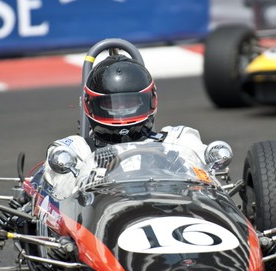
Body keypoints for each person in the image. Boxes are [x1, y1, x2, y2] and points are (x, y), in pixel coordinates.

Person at [43, 55, 217, 199]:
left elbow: (210, 184)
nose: (121, 111)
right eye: (111, 105)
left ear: (150, 100)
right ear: (90, 106)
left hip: (169, 210)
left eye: (130, 103)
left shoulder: (178, 139)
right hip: (101, 221)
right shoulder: (74, 150)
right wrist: (93, 176)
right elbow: (62, 195)